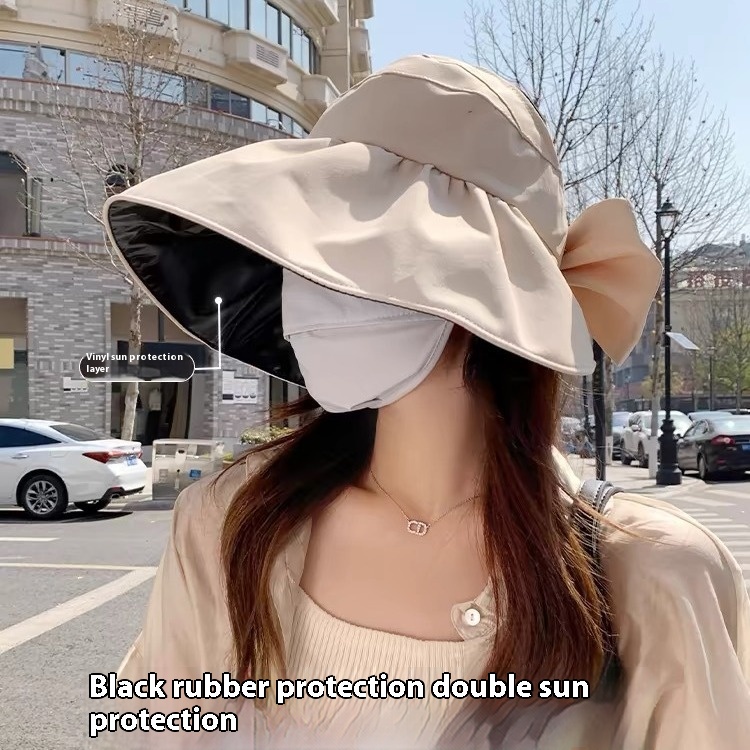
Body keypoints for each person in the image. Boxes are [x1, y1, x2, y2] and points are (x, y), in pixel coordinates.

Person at [101, 55, 750, 749]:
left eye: (364, 251)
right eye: (303, 254)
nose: (309, 292)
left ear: (488, 287)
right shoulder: (227, 521)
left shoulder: (653, 570)